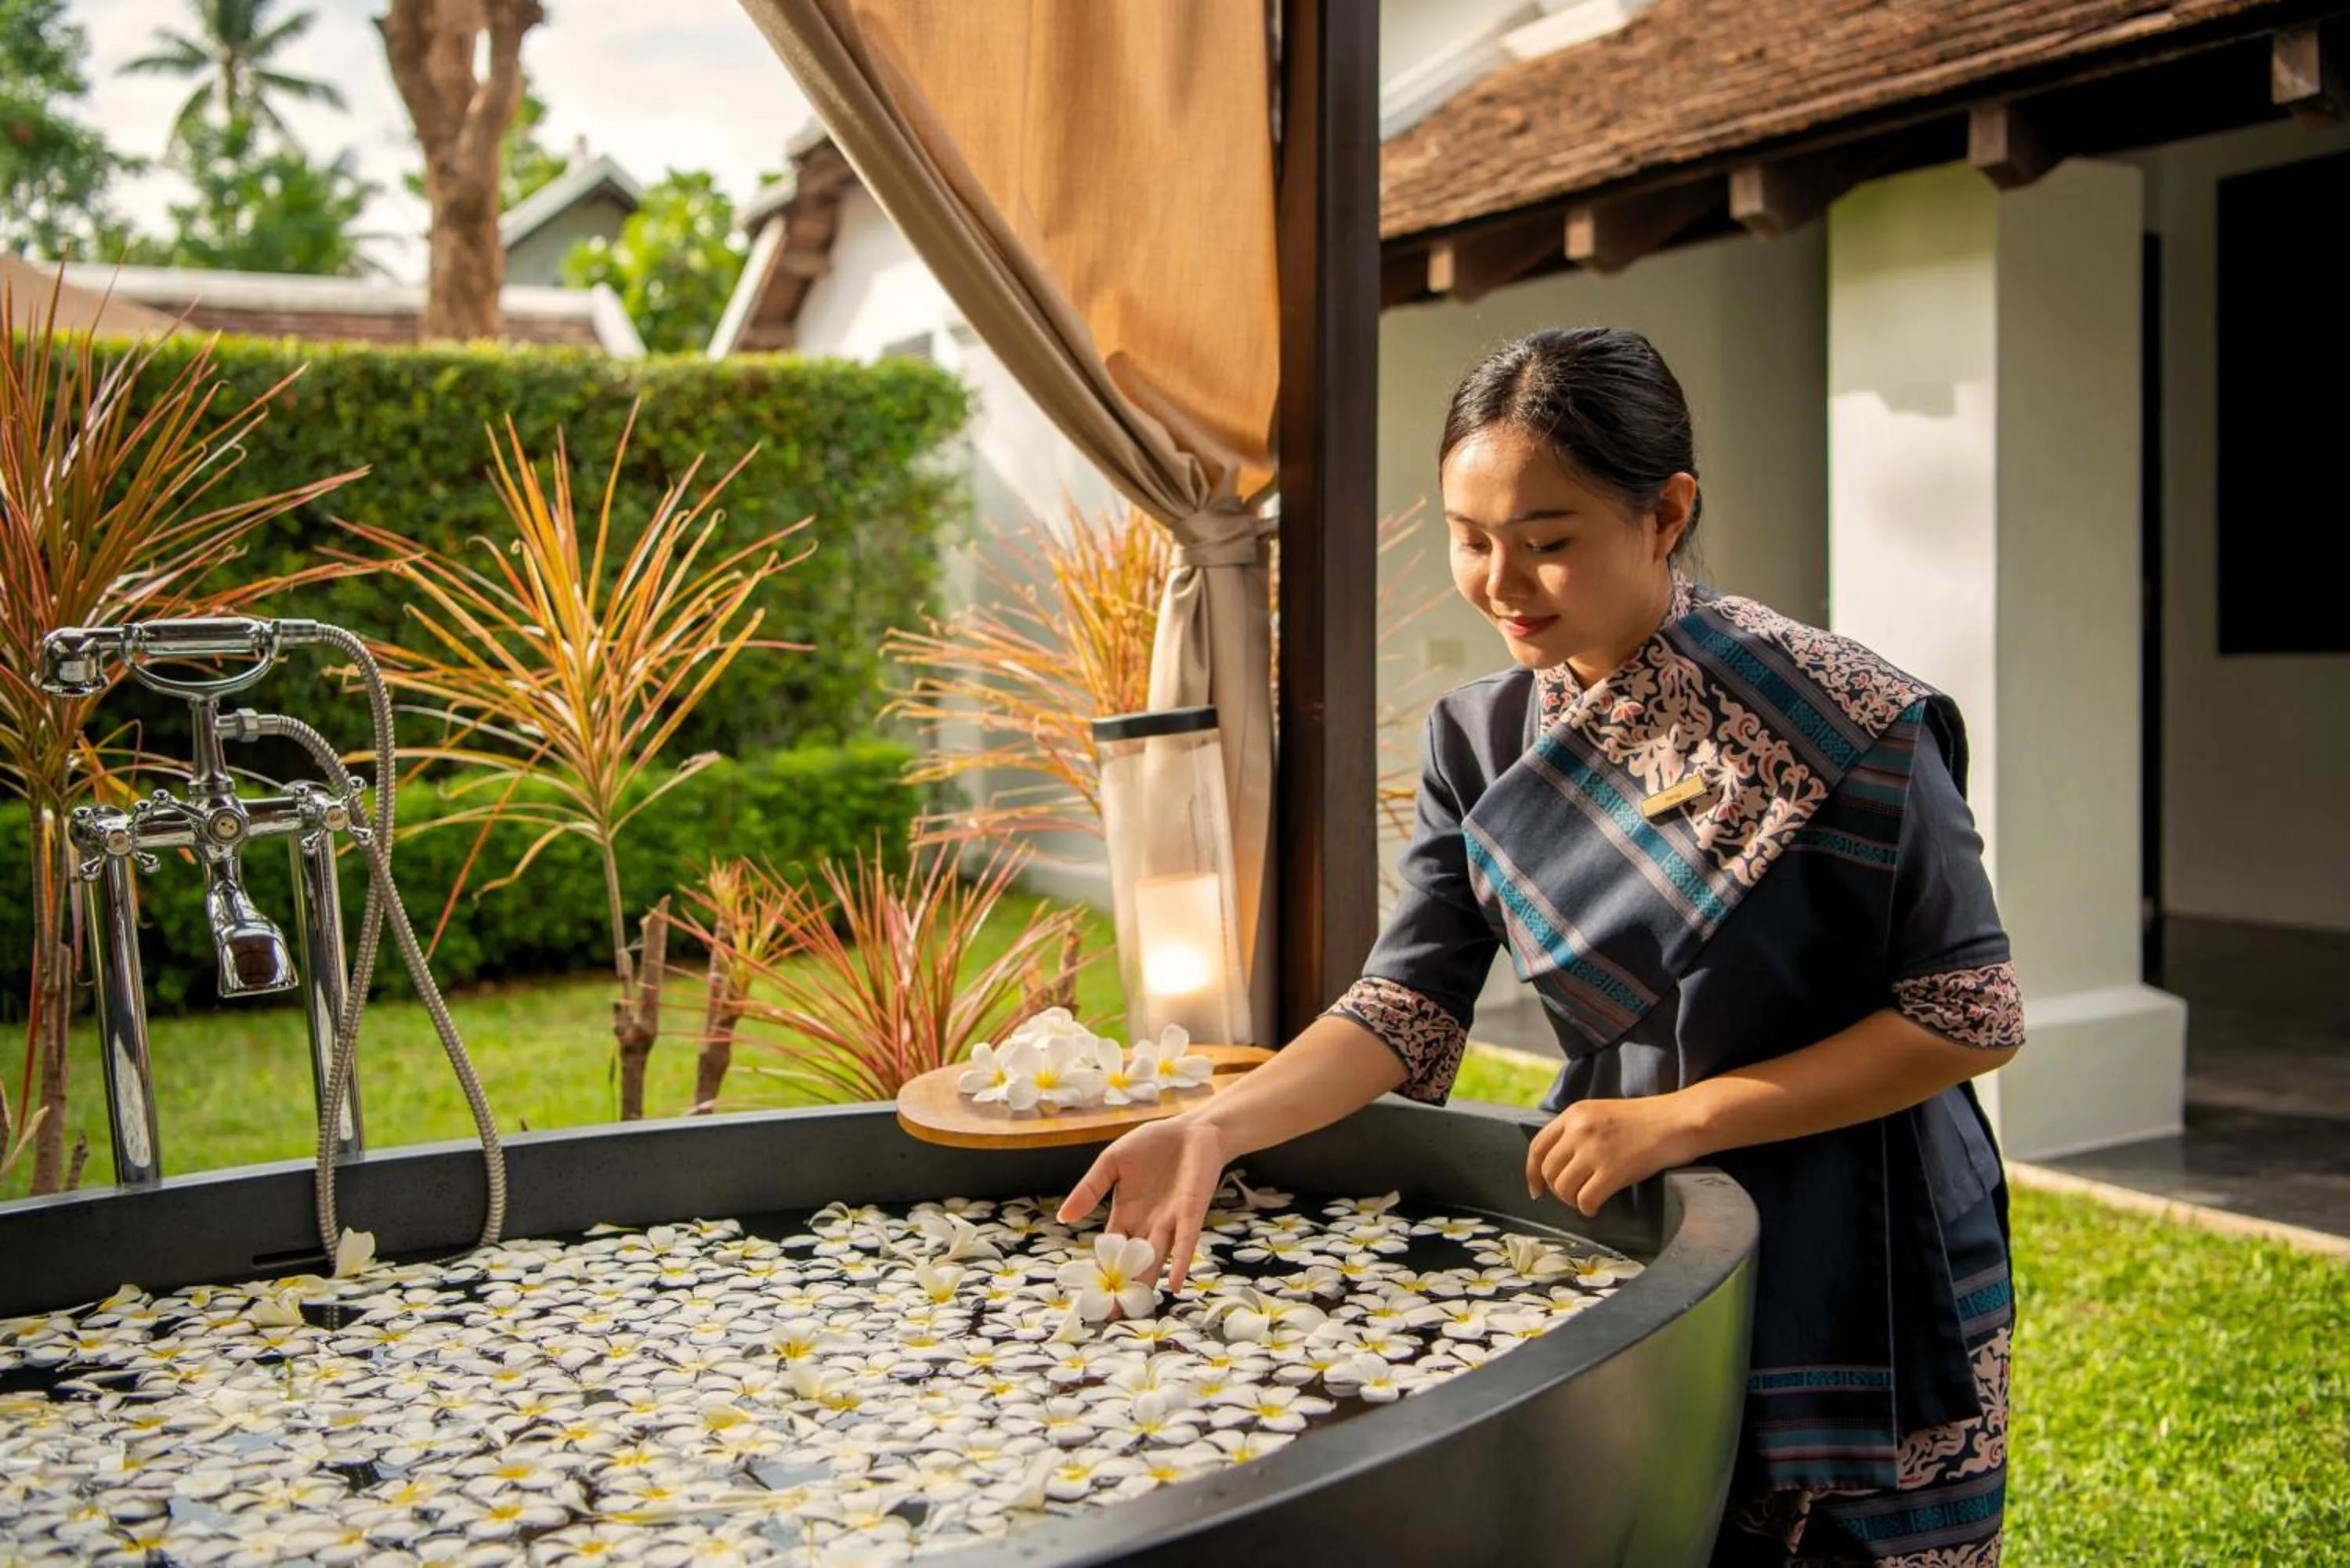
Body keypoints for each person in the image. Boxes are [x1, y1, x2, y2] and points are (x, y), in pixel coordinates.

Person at [1058, 326, 2021, 1566]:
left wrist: (1684, 1116)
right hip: (1643, 1213)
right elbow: (1405, 1004)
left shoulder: (1848, 719)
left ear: (1667, 512)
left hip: (1867, 1222)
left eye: (1549, 540)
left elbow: (1971, 1010)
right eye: (1472, 540)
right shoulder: (1482, 736)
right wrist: (1215, 1124)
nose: (1503, 583)